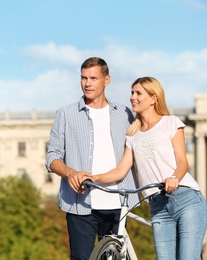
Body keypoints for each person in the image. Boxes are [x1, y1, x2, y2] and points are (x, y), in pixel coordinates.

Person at [77, 76, 207, 260]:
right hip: (158, 206)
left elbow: (182, 162)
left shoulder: (170, 123)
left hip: (186, 200)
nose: (133, 97)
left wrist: (174, 178)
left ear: (154, 98)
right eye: (132, 92)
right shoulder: (133, 134)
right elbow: (121, 170)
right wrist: (93, 178)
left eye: (139, 93)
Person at [45, 57, 140, 260]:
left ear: (107, 80)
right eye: (83, 78)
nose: (87, 83)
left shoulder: (124, 114)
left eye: (93, 78)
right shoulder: (66, 114)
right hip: (80, 204)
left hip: (117, 203)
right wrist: (70, 173)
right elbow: (52, 156)